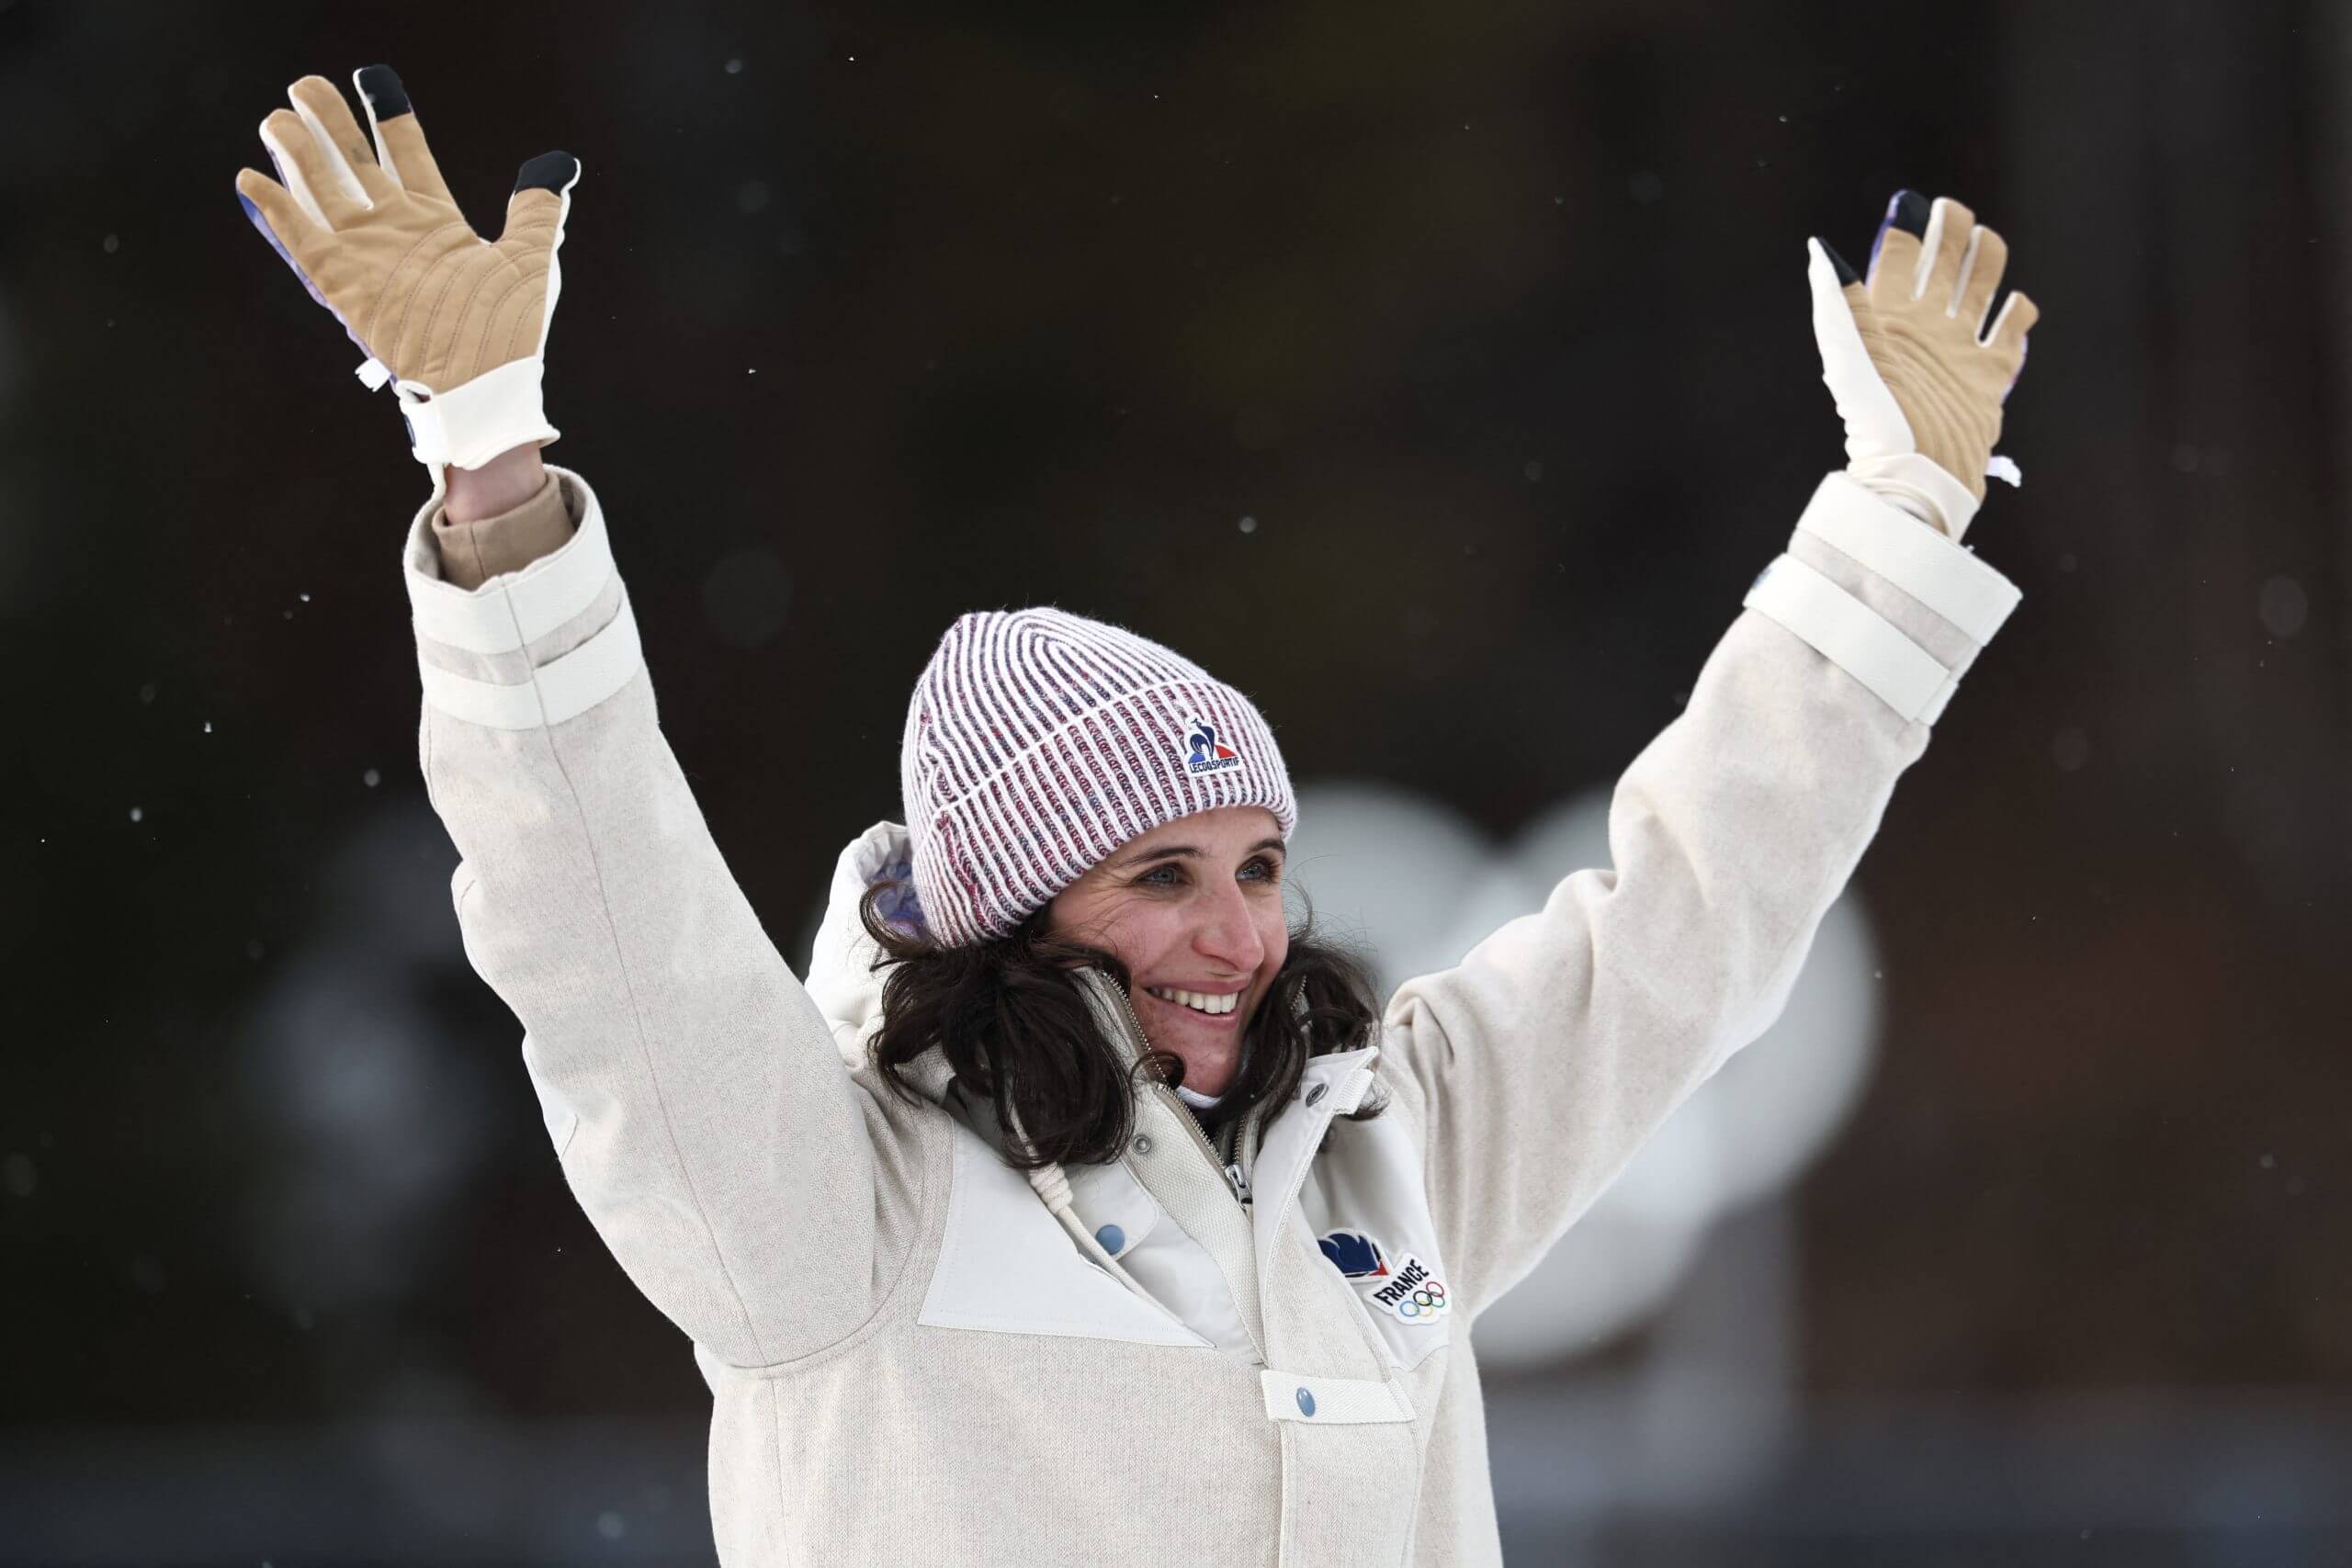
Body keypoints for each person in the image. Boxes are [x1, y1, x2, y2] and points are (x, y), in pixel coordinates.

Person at [236, 63, 2040, 1567]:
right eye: (1159, 874)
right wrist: (488, 467)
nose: (1238, 928)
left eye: (1255, 865)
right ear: (1013, 909)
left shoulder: (1391, 1155)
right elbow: (599, 916)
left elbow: (1691, 910)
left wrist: (1890, 520)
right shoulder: (825, 1210)